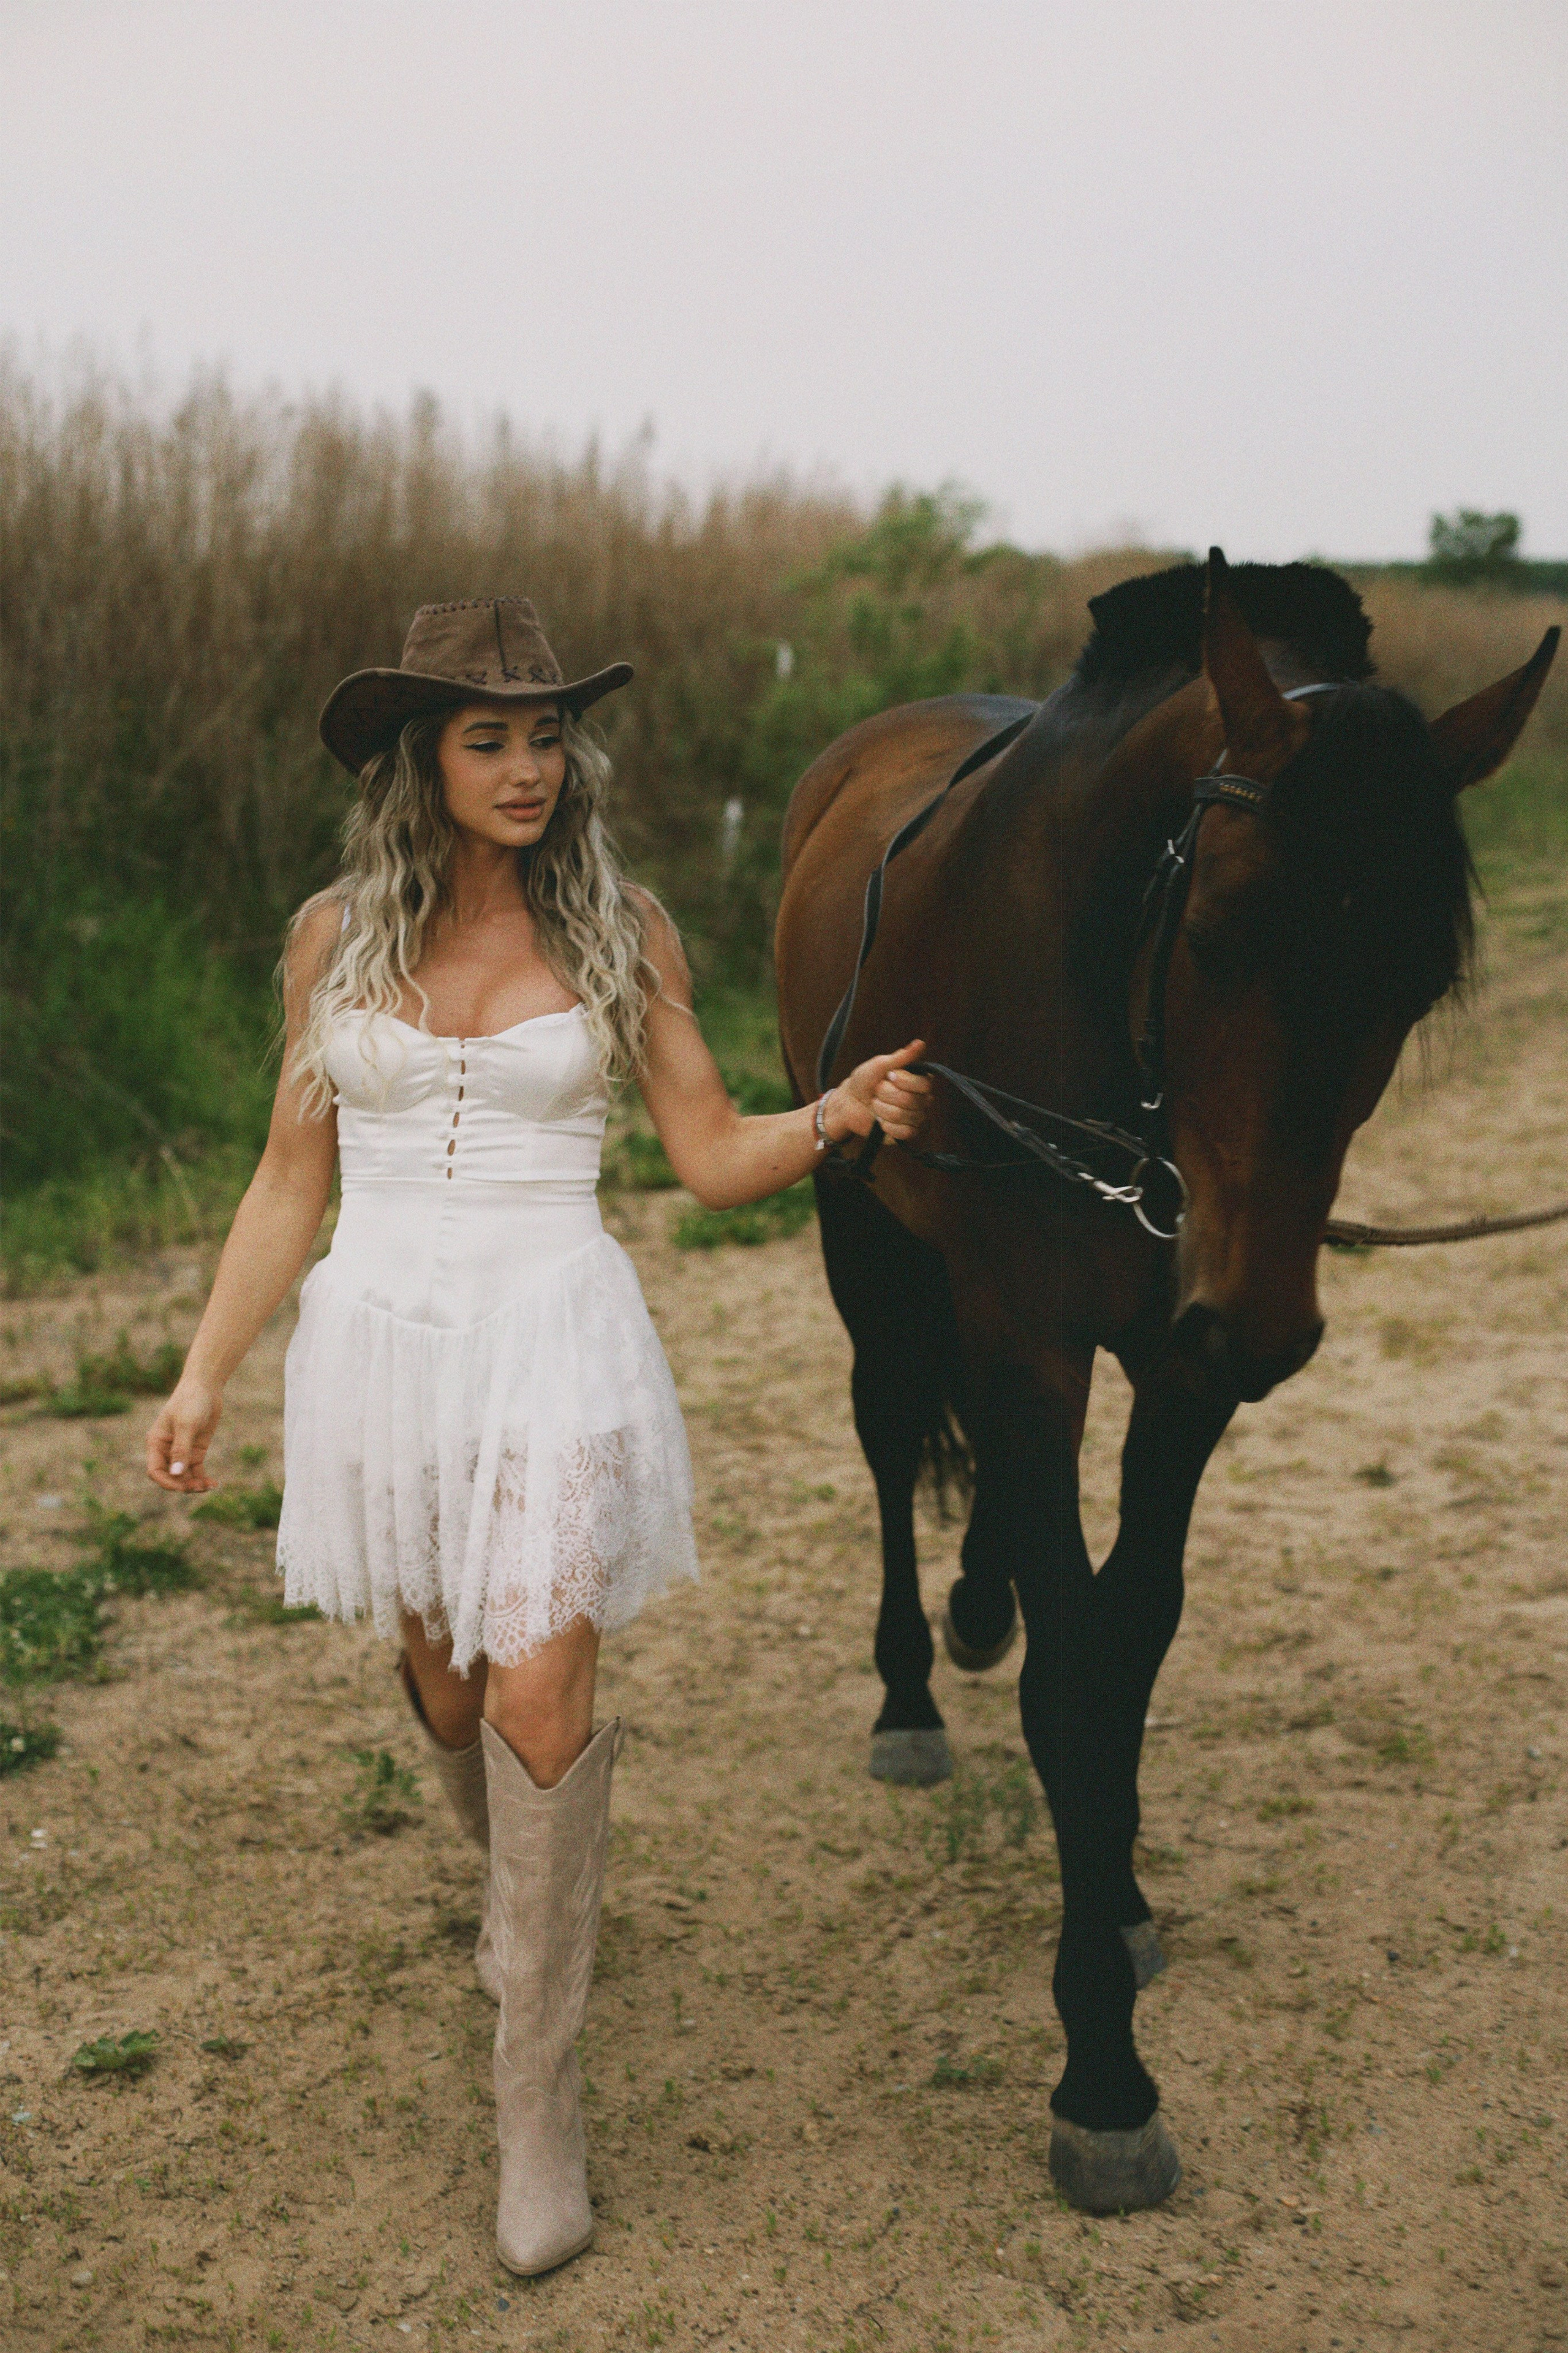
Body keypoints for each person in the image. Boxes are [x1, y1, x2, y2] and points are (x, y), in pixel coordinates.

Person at [146, 597, 930, 2278]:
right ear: (418, 755)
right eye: (488, 736)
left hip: (557, 1333)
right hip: (384, 1343)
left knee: (536, 1681)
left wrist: (839, 1114)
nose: (526, 766)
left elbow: (710, 1151)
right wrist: (208, 1371)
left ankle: (537, 2104)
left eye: (547, 734)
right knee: (441, 1680)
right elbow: (293, 1178)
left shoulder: (621, 931)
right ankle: (528, 1914)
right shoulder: (330, 940)